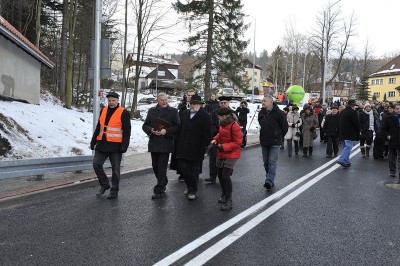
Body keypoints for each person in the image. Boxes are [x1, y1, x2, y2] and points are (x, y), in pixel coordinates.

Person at [90, 91, 131, 199]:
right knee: (96, 164)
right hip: (102, 144)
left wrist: (124, 145)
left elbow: (127, 131)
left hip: (116, 146)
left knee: (115, 170)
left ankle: (114, 190)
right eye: (109, 100)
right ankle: (105, 184)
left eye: (113, 100)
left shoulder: (123, 112)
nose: (111, 102)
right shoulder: (103, 110)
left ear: (117, 101)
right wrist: (93, 141)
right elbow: (99, 127)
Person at [142, 92, 180, 199]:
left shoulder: (173, 111)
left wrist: (166, 131)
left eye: (166, 100)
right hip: (154, 142)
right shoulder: (152, 111)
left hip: (166, 142)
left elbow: (177, 127)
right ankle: (163, 180)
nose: (164, 102)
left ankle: (159, 189)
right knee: (155, 166)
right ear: (157, 100)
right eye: (162, 100)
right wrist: (151, 130)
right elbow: (145, 125)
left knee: (162, 167)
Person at [176, 95, 212, 200]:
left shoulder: (205, 115)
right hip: (183, 147)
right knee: (183, 169)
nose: (192, 105)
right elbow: (180, 129)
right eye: (191, 103)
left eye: (195, 103)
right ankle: (190, 186)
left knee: (194, 171)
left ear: (200, 105)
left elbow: (208, 134)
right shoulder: (185, 113)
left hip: (197, 148)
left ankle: (192, 190)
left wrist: (204, 147)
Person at [211, 107, 242, 210]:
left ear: (224, 116)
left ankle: (229, 200)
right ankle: (224, 194)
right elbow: (221, 134)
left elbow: (238, 142)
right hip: (221, 152)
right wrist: (215, 139)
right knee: (220, 174)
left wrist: (224, 147)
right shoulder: (223, 124)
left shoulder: (234, 126)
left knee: (225, 175)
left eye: (219, 117)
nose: (218, 118)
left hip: (232, 153)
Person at [258, 95, 288, 190]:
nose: (263, 102)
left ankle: (269, 180)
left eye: (265, 101)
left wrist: (279, 136)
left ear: (271, 102)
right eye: (262, 100)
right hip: (264, 141)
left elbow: (285, 127)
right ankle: (269, 178)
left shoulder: (279, 113)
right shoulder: (261, 113)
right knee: (266, 163)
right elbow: (262, 124)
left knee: (272, 162)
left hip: (275, 142)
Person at [204, 95, 234, 183]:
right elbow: (211, 124)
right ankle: (212, 176)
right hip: (216, 137)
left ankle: (226, 175)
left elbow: (235, 126)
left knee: (227, 159)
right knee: (213, 157)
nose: (223, 104)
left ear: (228, 103)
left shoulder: (232, 113)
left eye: (225, 103)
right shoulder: (215, 112)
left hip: (228, 140)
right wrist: (215, 132)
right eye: (222, 103)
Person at [171, 90, 197, 182]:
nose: (190, 97)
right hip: (181, 133)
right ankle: (182, 173)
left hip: (193, 135)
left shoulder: (199, 106)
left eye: (192, 95)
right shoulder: (182, 106)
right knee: (181, 155)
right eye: (188, 95)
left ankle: (192, 174)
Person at [336, 100, 361, 168]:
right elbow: (356, 123)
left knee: (345, 146)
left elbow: (339, 122)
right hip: (349, 133)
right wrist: (359, 130)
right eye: (354, 106)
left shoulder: (343, 112)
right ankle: (342, 159)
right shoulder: (353, 112)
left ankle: (346, 161)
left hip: (342, 132)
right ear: (352, 106)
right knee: (348, 146)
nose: (355, 107)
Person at [381, 103, 400, 182]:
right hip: (392, 140)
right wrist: (388, 136)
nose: (399, 110)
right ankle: (392, 171)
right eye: (397, 108)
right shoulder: (388, 118)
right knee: (392, 157)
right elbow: (383, 129)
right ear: (394, 109)